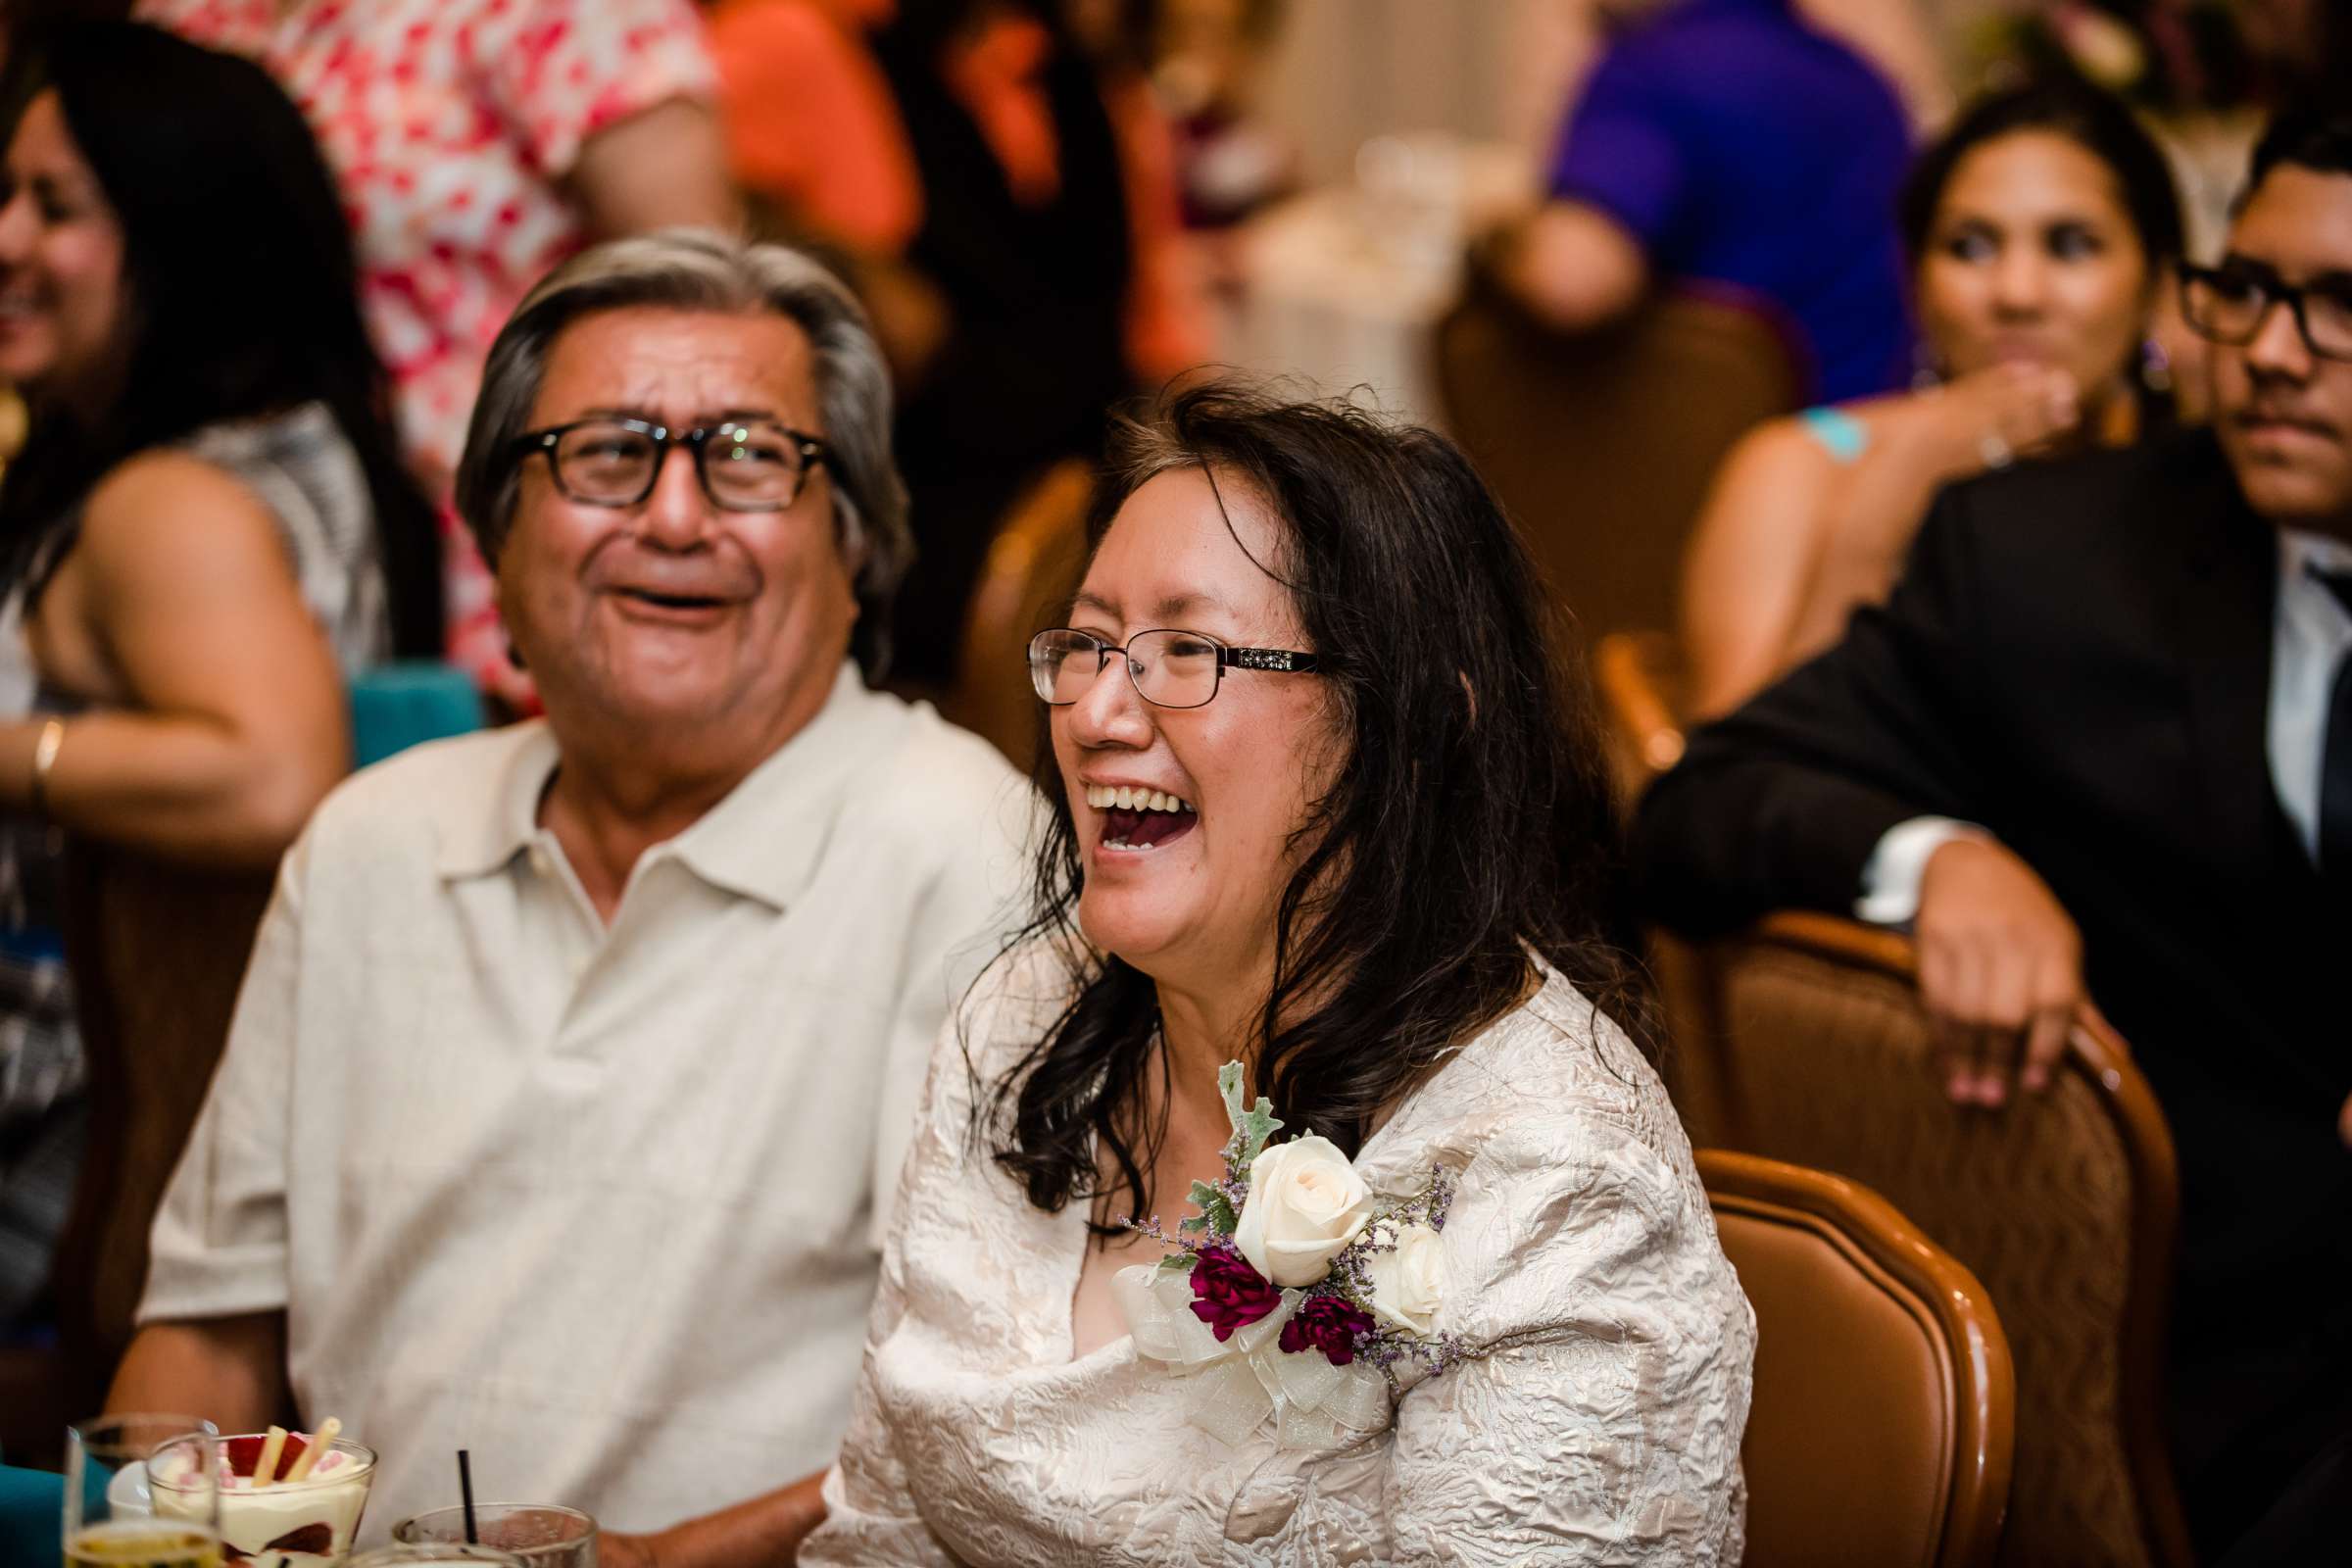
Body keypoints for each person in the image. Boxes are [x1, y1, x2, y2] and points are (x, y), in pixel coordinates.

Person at [107, 232, 1033, 1562]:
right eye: (607, 452)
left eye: (750, 458)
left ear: (856, 546)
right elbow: (209, 1335)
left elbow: (1010, 1415)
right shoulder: (373, 842)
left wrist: (642, 1564)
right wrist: (166, 1540)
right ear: (498, 534)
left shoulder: (966, 853)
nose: (672, 515)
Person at [801, 383, 1755, 1563]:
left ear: (1405, 731)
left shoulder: (1557, 1180)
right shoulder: (1024, 1018)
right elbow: (881, 1529)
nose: (1097, 710)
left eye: (1187, 651)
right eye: (1089, 643)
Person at [1630, 108, 2352, 1561]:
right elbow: (1703, 805)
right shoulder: (2056, 560)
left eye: (2343, 311)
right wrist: (1936, 852)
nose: (2275, 354)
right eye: (2255, 293)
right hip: (2244, 1347)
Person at [0, 23, 440, 1328]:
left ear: (181, 229)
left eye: (55, 207)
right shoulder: (311, 450)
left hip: (72, 1162)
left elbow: (273, 774)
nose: (5, 240)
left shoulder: (168, 508)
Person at [137, 0, 739, 712]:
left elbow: (702, 315)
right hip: (245, 560)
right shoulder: (189, 14)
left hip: (493, 565)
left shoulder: (553, 12)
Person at [1680, 80, 2183, 718]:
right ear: (1916, 282)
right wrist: (1888, 501)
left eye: (2071, 245)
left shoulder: (2205, 485)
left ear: (2157, 285)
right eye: (1970, 247)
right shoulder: (1804, 466)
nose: (2017, 293)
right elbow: (1729, 794)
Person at [1504, 0, 1915, 404]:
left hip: (1726, 454)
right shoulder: (1864, 85)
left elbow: (1572, 282)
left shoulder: (1653, 69)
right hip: (1858, 443)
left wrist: (1495, 241)